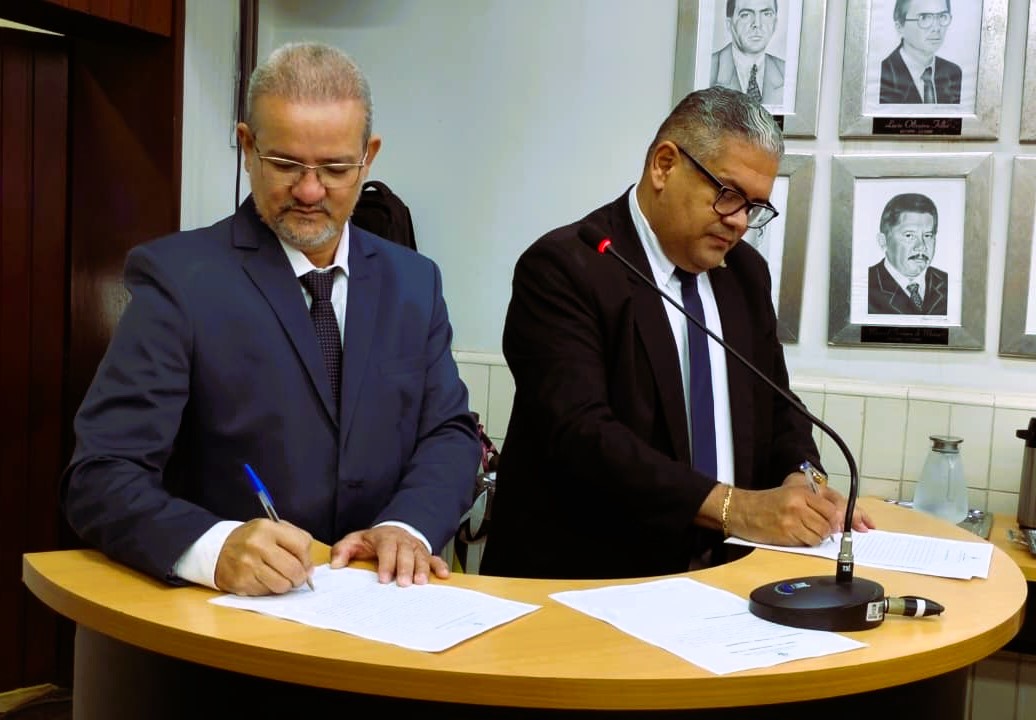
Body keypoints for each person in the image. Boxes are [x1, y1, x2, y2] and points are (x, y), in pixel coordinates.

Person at [62, 41, 481, 596]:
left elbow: (449, 433)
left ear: (368, 158)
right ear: (247, 146)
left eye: (335, 168)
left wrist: (407, 525)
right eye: (284, 164)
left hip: (381, 612)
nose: (309, 190)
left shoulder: (414, 282)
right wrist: (213, 548)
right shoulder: (179, 279)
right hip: (228, 623)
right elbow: (101, 474)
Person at [480, 86, 872, 581]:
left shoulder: (745, 273)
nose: (739, 222)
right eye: (728, 195)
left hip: (726, 576)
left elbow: (778, 405)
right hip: (592, 578)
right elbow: (582, 437)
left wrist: (802, 477)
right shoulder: (566, 266)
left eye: (754, 207)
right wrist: (736, 508)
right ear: (664, 166)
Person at [868, 192, 949, 315]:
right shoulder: (866, 286)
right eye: (909, 235)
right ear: (883, 241)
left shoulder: (947, 283)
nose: (921, 246)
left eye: (927, 235)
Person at [879, 0, 961, 104]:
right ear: (899, 27)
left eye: (942, 17)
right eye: (924, 18)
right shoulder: (882, 75)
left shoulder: (954, 73)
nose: (937, 28)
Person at [711, 0, 785, 106]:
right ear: (729, 24)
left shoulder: (787, 73)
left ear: (775, 23)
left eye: (766, 14)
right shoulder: (707, 70)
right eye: (745, 15)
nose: (757, 24)